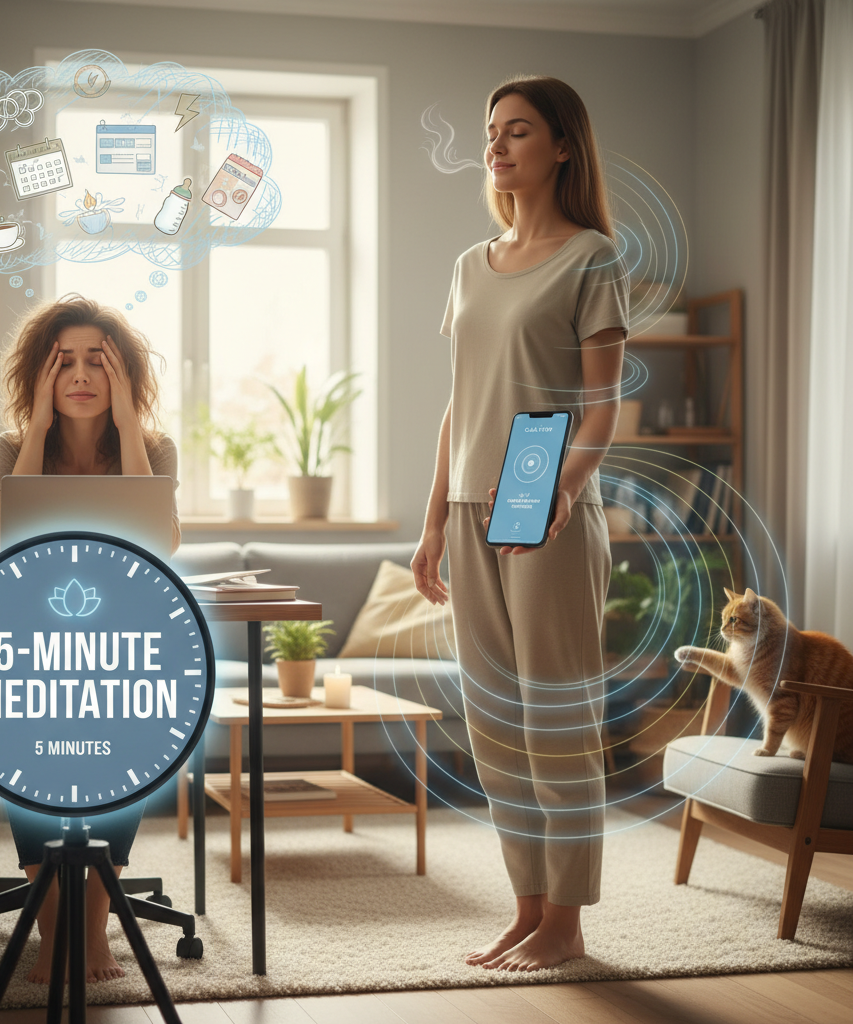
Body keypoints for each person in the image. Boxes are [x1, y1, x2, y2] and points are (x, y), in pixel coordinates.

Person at [412, 76, 628, 973]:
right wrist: (431, 524)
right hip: (470, 507)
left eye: (519, 131)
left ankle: (567, 925)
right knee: (496, 727)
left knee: (554, 723)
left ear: (562, 146)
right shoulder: (471, 264)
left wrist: (564, 490)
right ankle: (528, 910)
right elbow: (459, 404)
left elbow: (602, 407)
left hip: (545, 511)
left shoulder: (591, 258)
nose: (497, 146)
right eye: (492, 131)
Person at [0, 294, 181, 983]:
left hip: (121, 639)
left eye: (98, 361)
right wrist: (37, 430)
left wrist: (128, 428)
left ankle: (92, 926)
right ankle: (51, 926)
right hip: (33, 640)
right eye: (63, 361)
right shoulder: (10, 449)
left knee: (142, 730)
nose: (80, 375)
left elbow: (159, 543)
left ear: (123, 373)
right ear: (40, 374)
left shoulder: (153, 450)